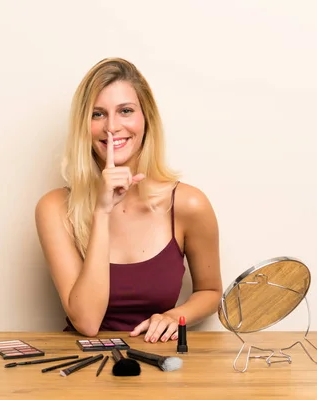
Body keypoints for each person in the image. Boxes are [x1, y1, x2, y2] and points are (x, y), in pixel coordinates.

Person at [35, 57, 223, 343]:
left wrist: (175, 316)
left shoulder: (188, 204)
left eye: (125, 111)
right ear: (83, 127)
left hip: (159, 364)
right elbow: (86, 322)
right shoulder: (54, 209)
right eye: (97, 114)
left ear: (146, 118)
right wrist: (101, 210)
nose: (112, 126)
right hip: (81, 368)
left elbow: (210, 292)